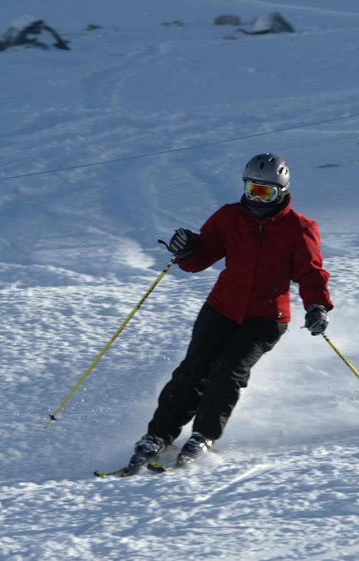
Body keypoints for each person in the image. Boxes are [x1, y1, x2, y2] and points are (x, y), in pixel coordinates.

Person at [126, 153, 333, 471]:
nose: (257, 198)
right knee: (193, 370)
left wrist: (317, 306)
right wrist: (187, 248)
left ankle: (202, 436)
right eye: (253, 190)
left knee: (227, 372)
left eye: (266, 192)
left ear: (282, 191)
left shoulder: (300, 228)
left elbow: (310, 273)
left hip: (267, 318)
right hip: (221, 308)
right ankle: (157, 436)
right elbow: (200, 258)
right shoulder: (229, 217)